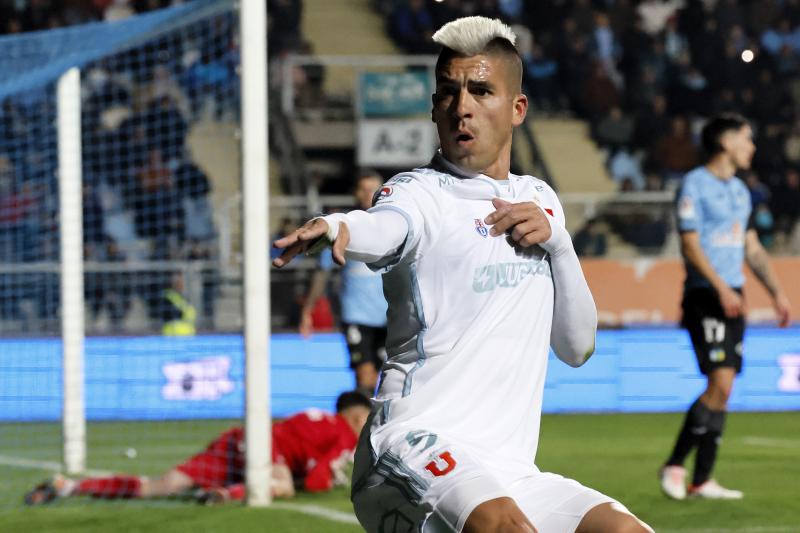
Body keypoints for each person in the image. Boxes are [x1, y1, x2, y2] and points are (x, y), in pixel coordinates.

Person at [273, 17, 652, 533]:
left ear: (517, 109)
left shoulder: (540, 200)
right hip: (409, 444)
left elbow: (577, 348)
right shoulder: (417, 193)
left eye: (481, 90)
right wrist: (341, 224)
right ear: (434, 109)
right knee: (504, 528)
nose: (463, 106)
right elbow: (386, 227)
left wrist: (560, 245)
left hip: (509, 471)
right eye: (449, 92)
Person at [660, 114, 792, 501]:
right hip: (706, 295)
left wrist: (777, 293)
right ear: (726, 141)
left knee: (726, 386)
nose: (752, 147)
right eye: (747, 140)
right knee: (719, 380)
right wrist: (721, 288)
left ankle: (701, 480)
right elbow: (690, 245)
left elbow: (751, 246)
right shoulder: (694, 185)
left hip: (733, 294)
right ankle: (674, 464)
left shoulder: (741, 191)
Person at [24, 391, 371, 505]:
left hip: (240, 438)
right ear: (356, 417)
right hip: (265, 448)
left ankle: (70, 485)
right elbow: (314, 482)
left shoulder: (316, 419)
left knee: (158, 486)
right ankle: (226, 494)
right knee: (280, 487)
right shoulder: (343, 433)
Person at [299, 169, 388, 396]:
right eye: (364, 189)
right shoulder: (344, 227)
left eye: (373, 189)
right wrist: (308, 310)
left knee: (389, 377)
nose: (369, 194)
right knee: (365, 375)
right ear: (356, 193)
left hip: (391, 314)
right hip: (357, 314)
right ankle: (362, 425)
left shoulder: (393, 226)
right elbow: (322, 273)